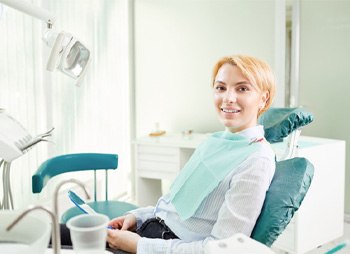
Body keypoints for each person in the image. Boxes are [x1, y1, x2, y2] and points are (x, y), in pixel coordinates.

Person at [106, 54, 277, 254]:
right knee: (62, 234)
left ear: (263, 98)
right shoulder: (215, 142)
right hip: (149, 230)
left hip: (160, 246)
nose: (228, 98)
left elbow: (222, 250)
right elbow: (175, 204)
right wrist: (138, 217)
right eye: (221, 87)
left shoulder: (256, 160)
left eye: (242, 88)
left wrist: (138, 246)